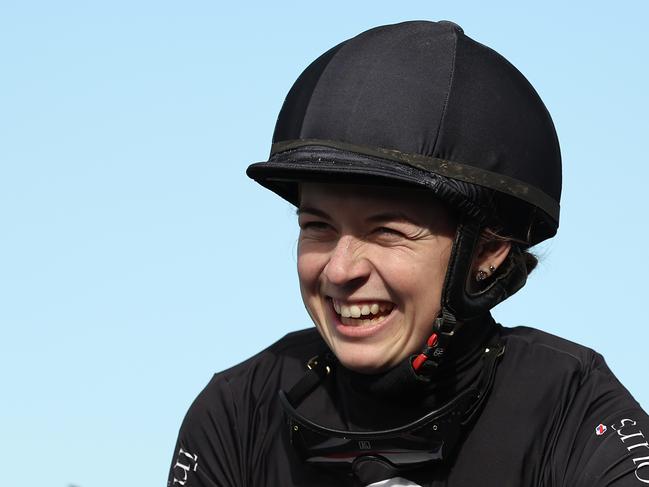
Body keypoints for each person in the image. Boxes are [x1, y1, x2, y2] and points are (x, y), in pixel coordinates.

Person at [168, 21, 649, 487]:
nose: (340, 269)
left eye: (387, 232)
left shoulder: (576, 408)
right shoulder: (236, 413)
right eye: (318, 226)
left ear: (489, 248)